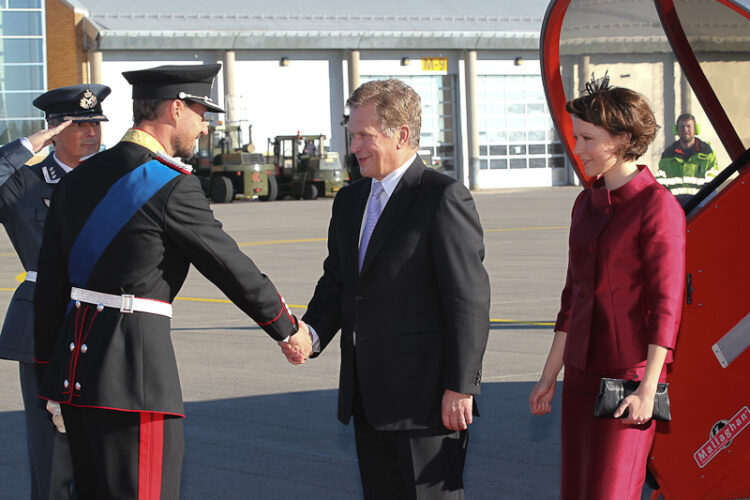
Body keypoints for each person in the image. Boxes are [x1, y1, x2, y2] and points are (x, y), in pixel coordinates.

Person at [33, 64, 312, 499]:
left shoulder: (78, 178)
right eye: (201, 111)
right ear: (175, 109)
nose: (205, 124)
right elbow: (228, 265)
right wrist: (286, 327)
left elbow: (50, 286)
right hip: (134, 376)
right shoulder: (169, 184)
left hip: (74, 375)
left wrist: (49, 376)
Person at [281, 79, 490, 499]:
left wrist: (461, 385)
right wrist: (312, 333)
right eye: (351, 134)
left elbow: (467, 299)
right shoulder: (350, 200)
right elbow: (339, 281)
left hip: (427, 401)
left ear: (402, 134)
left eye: (363, 135)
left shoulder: (442, 197)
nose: (354, 146)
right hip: (368, 399)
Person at [528, 83, 686, 499]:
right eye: (576, 136)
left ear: (622, 140)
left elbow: (666, 308)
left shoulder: (657, 207)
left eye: (587, 138)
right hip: (580, 378)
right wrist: (549, 377)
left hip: (628, 382)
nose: (577, 148)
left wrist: (648, 389)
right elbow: (571, 300)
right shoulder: (584, 205)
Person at [0, 83, 111, 500]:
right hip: (43, 327)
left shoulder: (111, 180)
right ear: (54, 129)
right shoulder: (24, 183)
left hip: (102, 323)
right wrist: (29, 144)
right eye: (79, 124)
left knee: (102, 453)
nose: (91, 133)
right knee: (52, 457)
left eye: (96, 124)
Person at [657, 113, 718, 202]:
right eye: (682, 127)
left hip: (700, 207)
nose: (685, 129)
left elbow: (712, 183)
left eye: (688, 126)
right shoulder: (667, 155)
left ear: (695, 129)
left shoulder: (707, 153)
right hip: (675, 207)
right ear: (676, 130)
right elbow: (660, 184)